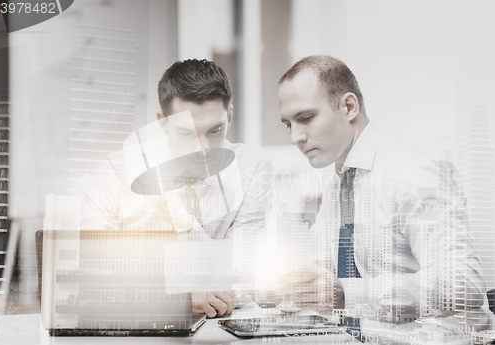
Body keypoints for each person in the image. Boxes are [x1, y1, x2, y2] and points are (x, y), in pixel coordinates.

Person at [277, 55, 493, 335]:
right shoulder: (338, 188)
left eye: (305, 118)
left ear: (349, 106)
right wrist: (289, 287)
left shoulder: (410, 172)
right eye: (288, 125)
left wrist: (348, 293)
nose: (295, 137)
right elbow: (321, 271)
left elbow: (464, 283)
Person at [80, 59, 272, 318]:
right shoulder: (115, 172)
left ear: (229, 116)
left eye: (215, 130)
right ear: (163, 123)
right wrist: (176, 295)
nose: (202, 149)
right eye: (186, 133)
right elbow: (93, 276)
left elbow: (245, 278)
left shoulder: (252, 169)